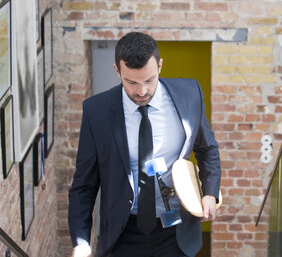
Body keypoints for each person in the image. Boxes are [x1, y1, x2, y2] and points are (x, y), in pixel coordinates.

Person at [68, 32, 221, 257]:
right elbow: (84, 184)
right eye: (131, 82)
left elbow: (207, 150)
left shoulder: (190, 94)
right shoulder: (96, 112)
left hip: (177, 230)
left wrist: (210, 192)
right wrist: (81, 242)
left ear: (160, 66)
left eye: (149, 80)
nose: (141, 92)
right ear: (117, 71)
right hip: (123, 234)